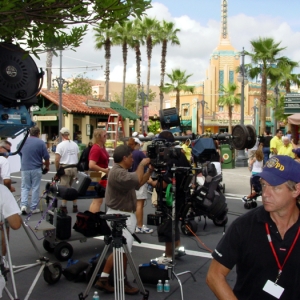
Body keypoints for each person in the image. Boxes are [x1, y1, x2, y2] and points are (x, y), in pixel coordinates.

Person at [206, 155, 300, 300]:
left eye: (275, 187)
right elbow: (214, 276)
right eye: (263, 185)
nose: (265, 194)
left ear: (296, 190)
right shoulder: (243, 226)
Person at [94, 145, 153, 294]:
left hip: (122, 215)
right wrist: (141, 165)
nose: (133, 160)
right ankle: (120, 281)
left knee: (120, 250)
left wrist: (150, 171)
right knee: (123, 250)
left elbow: (138, 183)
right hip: (120, 215)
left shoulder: (120, 172)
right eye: (131, 157)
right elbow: (136, 179)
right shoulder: (118, 173)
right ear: (124, 158)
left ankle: (105, 278)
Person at [147, 130, 191, 262]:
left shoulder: (169, 159)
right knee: (174, 222)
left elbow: (164, 185)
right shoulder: (181, 155)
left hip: (170, 198)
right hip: (182, 196)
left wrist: (150, 181)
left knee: (167, 225)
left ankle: (168, 256)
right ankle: (177, 247)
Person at [19, 126, 50, 214]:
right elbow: (46, 157)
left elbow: (18, 150)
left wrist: (23, 157)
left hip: (25, 168)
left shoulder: (23, 141)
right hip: (36, 168)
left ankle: (23, 205)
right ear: (38, 133)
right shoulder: (41, 143)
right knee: (35, 187)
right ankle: (33, 207)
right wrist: (47, 166)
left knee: (25, 187)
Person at [128, 137, 153, 234]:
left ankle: (132, 224)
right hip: (140, 179)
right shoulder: (138, 153)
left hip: (129, 179)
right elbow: (148, 162)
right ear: (137, 144)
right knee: (139, 204)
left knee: (131, 204)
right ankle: (139, 225)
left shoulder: (128, 154)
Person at [55, 127, 79, 214]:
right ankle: (75, 205)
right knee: (74, 187)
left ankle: (64, 206)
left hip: (65, 168)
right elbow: (78, 156)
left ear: (61, 135)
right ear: (68, 135)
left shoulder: (60, 145)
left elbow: (57, 159)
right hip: (74, 167)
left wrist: (58, 169)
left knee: (64, 188)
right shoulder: (75, 144)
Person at [88, 129, 110, 213]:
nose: (106, 137)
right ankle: (93, 219)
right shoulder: (96, 148)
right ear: (99, 137)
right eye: (105, 135)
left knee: (98, 199)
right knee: (98, 200)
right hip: (97, 175)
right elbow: (91, 165)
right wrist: (104, 170)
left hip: (101, 174)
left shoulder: (101, 147)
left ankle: (92, 218)